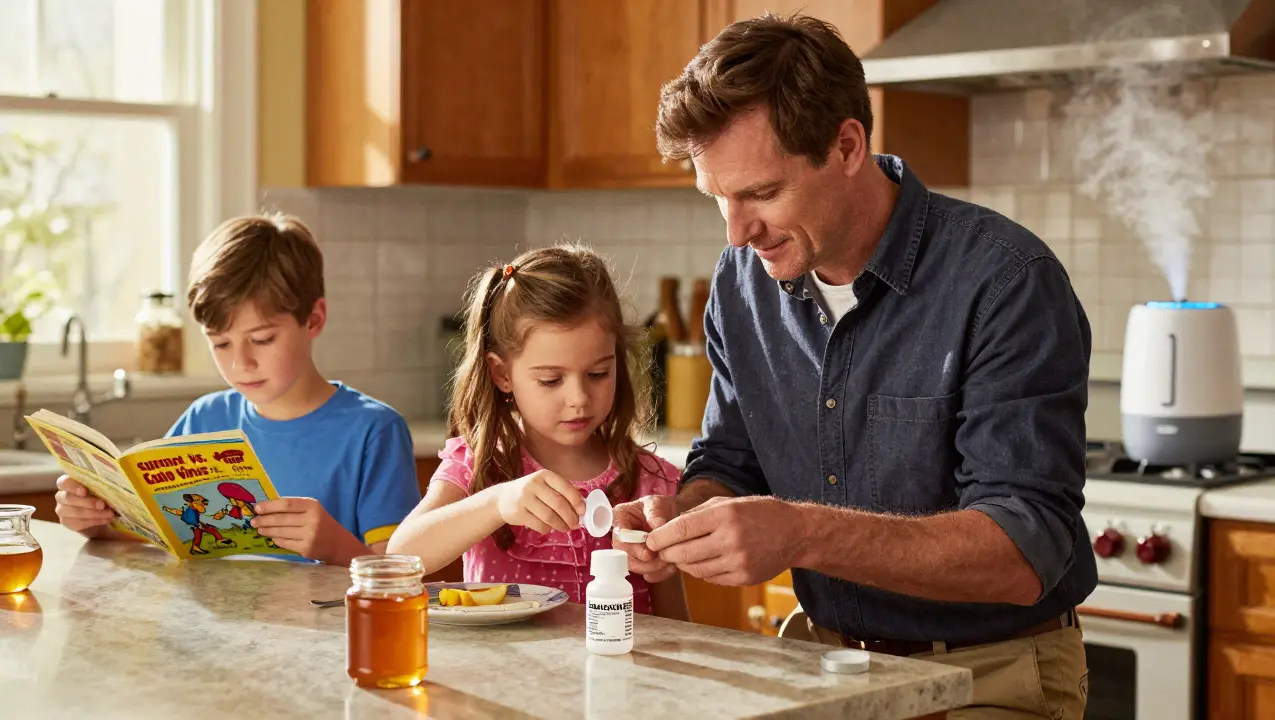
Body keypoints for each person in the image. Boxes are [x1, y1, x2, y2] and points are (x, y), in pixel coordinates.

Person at [612, 13, 1095, 719]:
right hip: (821, 663)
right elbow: (732, 462)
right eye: (717, 198)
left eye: (762, 194)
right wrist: (684, 516)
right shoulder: (740, 284)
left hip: (989, 679)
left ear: (846, 145)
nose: (737, 231)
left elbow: (1023, 553)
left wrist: (798, 531)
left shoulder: (1005, 282)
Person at [53, 214, 422, 566]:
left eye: (261, 339)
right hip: (218, 626)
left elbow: (399, 577)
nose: (240, 364)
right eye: (221, 344)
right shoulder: (204, 418)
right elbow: (160, 534)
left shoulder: (374, 431)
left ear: (314, 319)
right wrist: (95, 522)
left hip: (324, 629)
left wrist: (335, 546)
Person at [387, 245, 688, 620]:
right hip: (510, 675)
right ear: (502, 375)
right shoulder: (480, 464)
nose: (579, 398)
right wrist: (496, 504)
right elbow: (400, 557)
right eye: (551, 380)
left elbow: (676, 626)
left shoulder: (648, 482)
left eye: (598, 374)